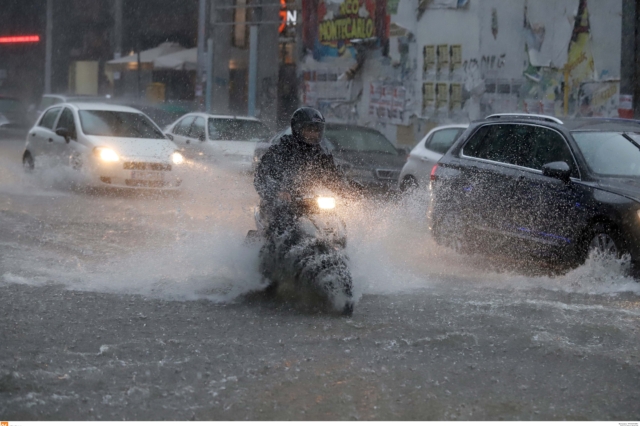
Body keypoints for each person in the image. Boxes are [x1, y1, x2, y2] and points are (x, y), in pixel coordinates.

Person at [254, 107, 354, 234]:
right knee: (281, 226)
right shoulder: (281, 149)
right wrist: (277, 191)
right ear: (297, 129)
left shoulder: (321, 153)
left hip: (311, 202)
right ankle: (276, 251)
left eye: (317, 130)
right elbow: (261, 176)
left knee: (335, 222)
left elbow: (333, 176)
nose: (313, 134)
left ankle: (337, 246)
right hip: (281, 202)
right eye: (309, 129)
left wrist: (349, 191)